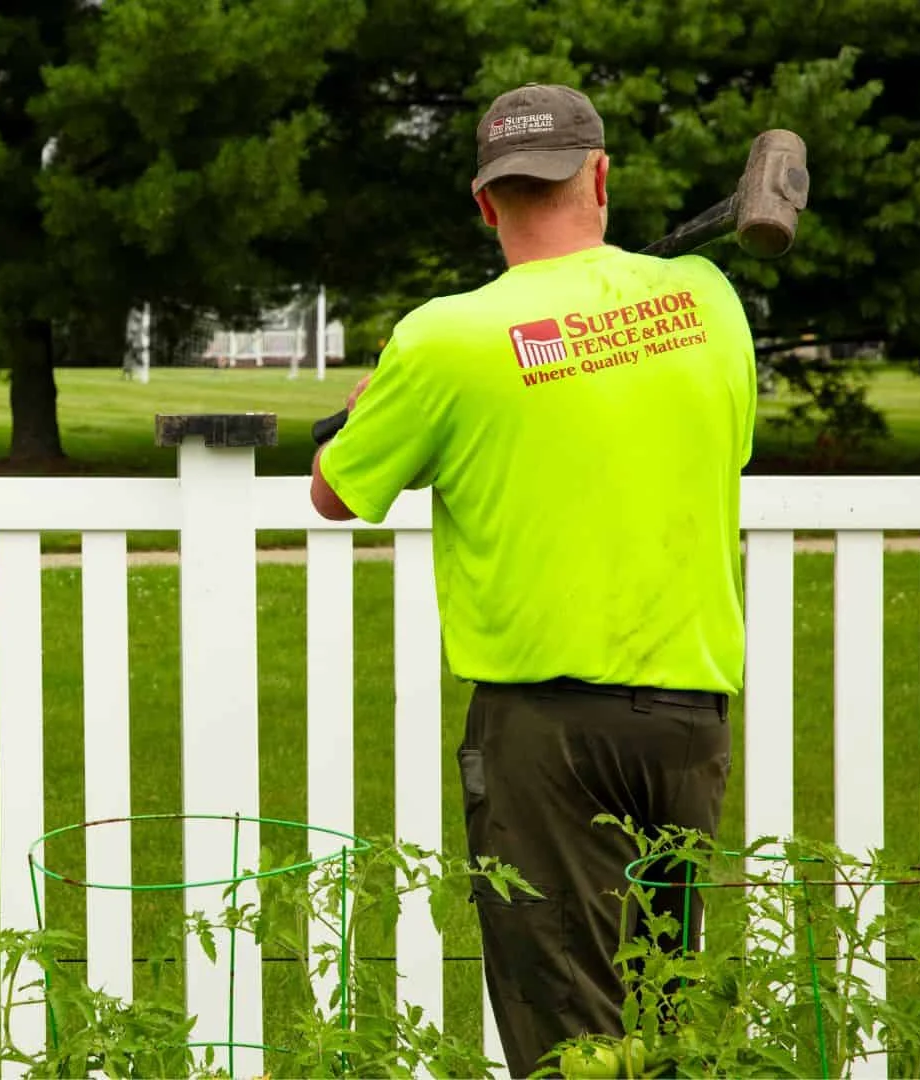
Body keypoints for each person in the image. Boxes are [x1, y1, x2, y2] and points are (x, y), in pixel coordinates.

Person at [308, 83, 757, 1076]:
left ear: (485, 202)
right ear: (598, 177)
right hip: (687, 722)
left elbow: (335, 492)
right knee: (663, 1020)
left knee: (572, 1038)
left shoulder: (443, 340)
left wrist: (367, 404)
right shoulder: (709, 304)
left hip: (543, 740)